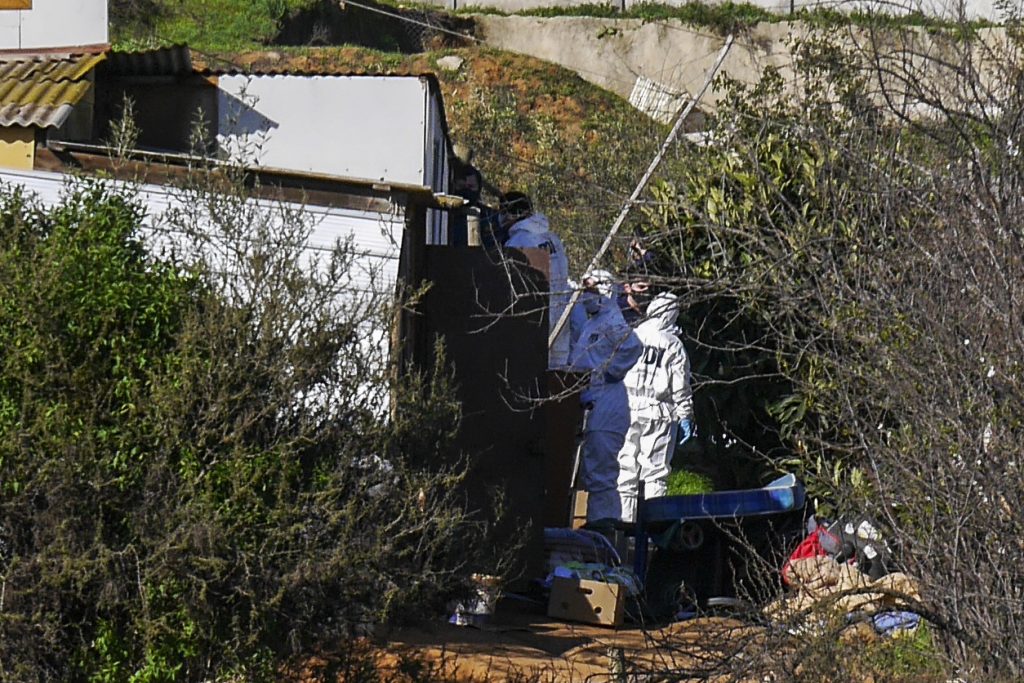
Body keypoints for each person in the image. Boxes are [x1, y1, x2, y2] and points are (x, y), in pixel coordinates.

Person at [568, 269, 643, 524]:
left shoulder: (612, 321)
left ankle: (604, 527)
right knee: (592, 471)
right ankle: (597, 525)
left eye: (590, 290)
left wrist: (609, 372)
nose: (586, 296)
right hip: (595, 401)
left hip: (607, 402)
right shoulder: (594, 321)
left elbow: (633, 347)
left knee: (601, 473)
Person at [616, 292, 694, 522]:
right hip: (659, 413)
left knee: (625, 470)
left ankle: (625, 527)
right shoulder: (673, 345)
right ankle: (651, 531)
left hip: (628, 408)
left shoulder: (632, 336)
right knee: (656, 474)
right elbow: (680, 386)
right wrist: (685, 415)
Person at [502, 191, 572, 369]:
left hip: (534, 317)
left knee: (530, 372)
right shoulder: (553, 238)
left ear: (513, 213)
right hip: (560, 312)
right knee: (555, 372)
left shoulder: (517, 242)